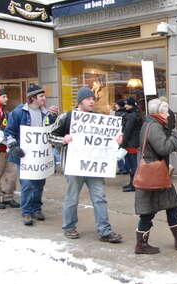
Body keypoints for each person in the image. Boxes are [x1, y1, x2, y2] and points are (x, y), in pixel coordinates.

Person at [48, 87, 123, 243]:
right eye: (89, 99)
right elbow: (49, 135)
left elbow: (107, 140)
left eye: (93, 99)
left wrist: (115, 141)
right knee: (72, 197)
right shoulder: (67, 117)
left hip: (94, 166)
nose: (92, 101)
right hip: (74, 166)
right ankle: (69, 227)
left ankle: (105, 230)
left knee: (100, 197)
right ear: (80, 101)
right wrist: (63, 140)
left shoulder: (98, 119)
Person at [133, 98, 177, 254]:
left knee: (172, 206)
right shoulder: (154, 126)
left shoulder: (152, 124)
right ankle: (141, 245)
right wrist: (176, 135)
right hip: (153, 175)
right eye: (166, 111)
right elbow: (163, 148)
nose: (168, 114)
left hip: (157, 173)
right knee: (147, 213)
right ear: (159, 112)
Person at [4, 84, 58, 226]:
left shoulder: (46, 113)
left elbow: (52, 130)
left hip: (40, 155)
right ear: (33, 98)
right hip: (24, 155)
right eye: (41, 96)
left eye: (44, 96)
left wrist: (54, 117)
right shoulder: (18, 113)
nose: (44, 99)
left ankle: (36, 208)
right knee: (27, 183)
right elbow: (9, 132)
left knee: (39, 182)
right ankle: (26, 211)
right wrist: (13, 146)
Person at [120, 96, 141, 192]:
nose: (125, 106)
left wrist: (123, 143)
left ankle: (134, 184)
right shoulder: (135, 114)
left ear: (131, 105)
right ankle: (132, 183)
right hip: (133, 142)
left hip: (131, 143)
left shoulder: (132, 116)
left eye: (127, 104)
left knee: (133, 165)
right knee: (132, 164)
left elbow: (127, 131)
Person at [114, 99, 129, 175]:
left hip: (118, 135)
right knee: (125, 151)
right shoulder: (127, 113)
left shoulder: (117, 113)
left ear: (119, 105)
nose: (115, 106)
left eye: (116, 104)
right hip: (125, 134)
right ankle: (126, 168)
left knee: (117, 152)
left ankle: (122, 168)